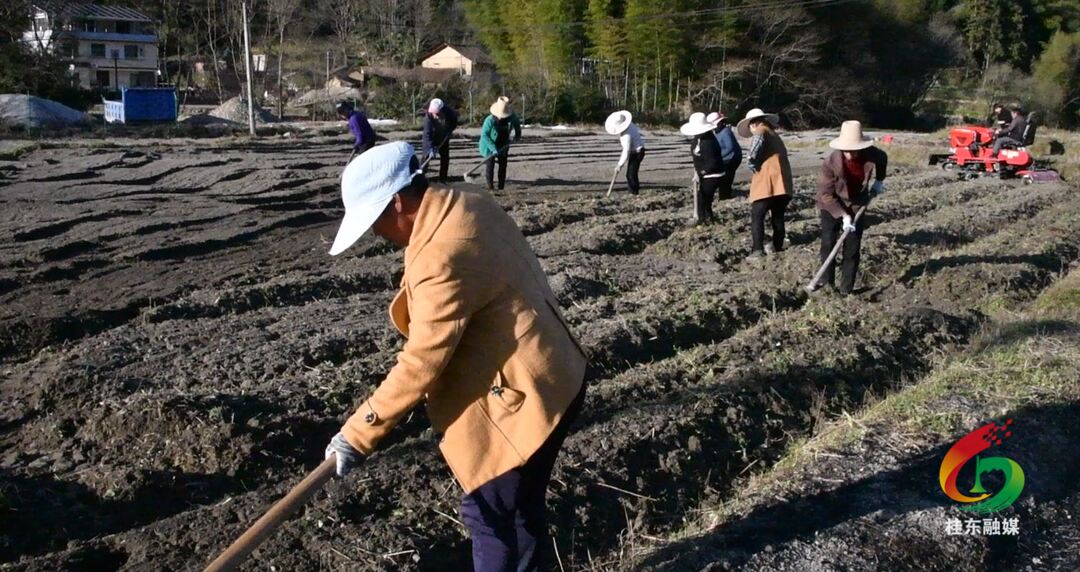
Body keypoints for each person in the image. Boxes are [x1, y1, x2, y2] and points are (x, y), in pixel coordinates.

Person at [324, 141, 587, 572]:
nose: (375, 234)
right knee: (518, 514)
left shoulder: (440, 254)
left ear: (397, 202)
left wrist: (359, 433)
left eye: (375, 221)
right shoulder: (466, 200)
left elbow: (423, 359)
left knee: (491, 518)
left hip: (522, 402)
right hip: (553, 370)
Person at [815, 120, 888, 295]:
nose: (849, 153)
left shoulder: (871, 154)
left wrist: (879, 181)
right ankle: (827, 286)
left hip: (857, 202)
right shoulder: (830, 162)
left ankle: (846, 289)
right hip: (831, 204)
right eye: (846, 149)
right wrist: (843, 215)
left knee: (852, 247)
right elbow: (826, 194)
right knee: (828, 243)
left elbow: (883, 158)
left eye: (853, 149)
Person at [737, 108, 792, 260]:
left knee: (757, 215)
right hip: (783, 183)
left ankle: (757, 250)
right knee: (778, 216)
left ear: (753, 124)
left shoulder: (760, 131)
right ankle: (778, 246)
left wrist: (751, 162)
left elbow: (754, 150)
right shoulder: (774, 135)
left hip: (768, 181)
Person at [681, 112, 725, 225]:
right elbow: (696, 158)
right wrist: (696, 173)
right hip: (704, 173)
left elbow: (713, 162)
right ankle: (707, 219)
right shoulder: (698, 139)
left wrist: (702, 172)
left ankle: (703, 220)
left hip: (714, 174)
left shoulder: (709, 142)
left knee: (703, 198)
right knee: (704, 199)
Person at [479, 96, 522, 191]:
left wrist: (517, 137)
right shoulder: (489, 120)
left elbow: (517, 128)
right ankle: (490, 186)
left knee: (503, 165)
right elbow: (484, 135)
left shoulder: (512, 118)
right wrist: (493, 148)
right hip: (489, 144)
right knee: (490, 165)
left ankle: (501, 186)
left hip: (503, 143)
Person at [605, 110, 645, 195]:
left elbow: (626, 151)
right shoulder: (630, 125)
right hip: (635, 151)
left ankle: (634, 193)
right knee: (631, 174)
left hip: (638, 152)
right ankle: (633, 192)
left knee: (631, 174)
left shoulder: (626, 135)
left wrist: (619, 165)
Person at [707, 111, 742, 200]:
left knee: (726, 178)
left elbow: (730, 147)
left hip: (732, 159)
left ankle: (725, 196)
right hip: (726, 158)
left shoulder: (726, 131)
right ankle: (724, 194)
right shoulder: (718, 132)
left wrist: (718, 156)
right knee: (724, 178)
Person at [422, 98, 459, 183]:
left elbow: (454, 122)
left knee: (445, 159)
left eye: (437, 113)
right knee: (426, 157)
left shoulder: (449, 113)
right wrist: (430, 149)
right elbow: (427, 135)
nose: (435, 115)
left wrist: (450, 130)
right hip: (432, 137)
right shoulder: (428, 117)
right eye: (433, 113)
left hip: (444, 137)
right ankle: (421, 176)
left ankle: (443, 179)